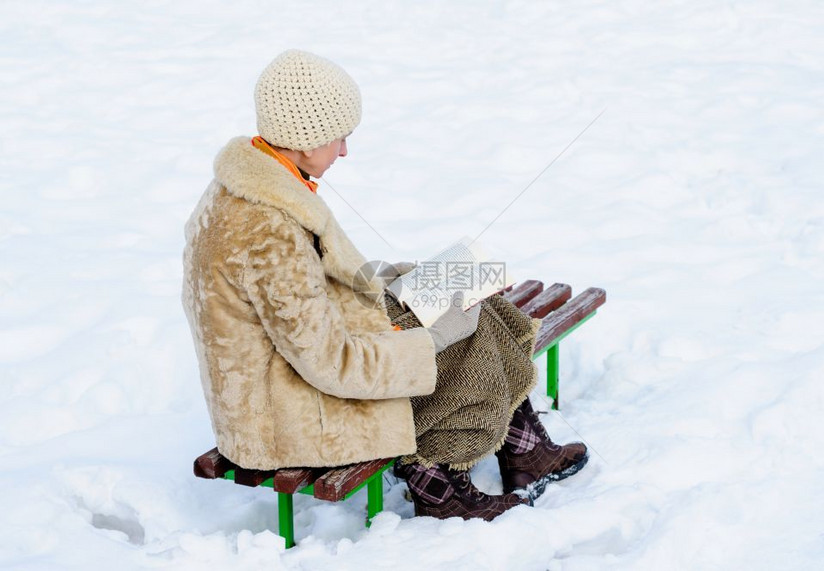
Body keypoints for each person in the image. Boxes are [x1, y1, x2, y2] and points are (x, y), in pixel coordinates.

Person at [182, 50, 588, 522]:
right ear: (307, 139)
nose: (345, 151)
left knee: (469, 295)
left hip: (291, 369)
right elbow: (328, 362)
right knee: (464, 337)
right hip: (285, 414)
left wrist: (412, 281)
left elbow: (314, 287)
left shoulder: (264, 181)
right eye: (340, 137)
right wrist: (431, 338)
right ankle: (438, 484)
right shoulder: (267, 228)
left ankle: (523, 450)